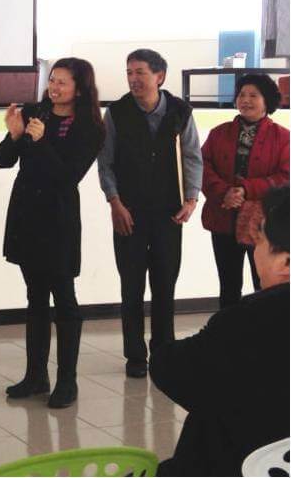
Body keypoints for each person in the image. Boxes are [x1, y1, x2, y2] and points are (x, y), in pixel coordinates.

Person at [152, 185, 290, 477]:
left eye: (259, 241)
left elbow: (168, 369)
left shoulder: (249, 321)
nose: (255, 250)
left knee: (214, 408)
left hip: (237, 465)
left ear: (286, 262)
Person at [0, 58, 105, 409]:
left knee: (65, 299)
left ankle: (67, 381)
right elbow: (2, 159)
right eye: (52, 80)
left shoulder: (90, 126)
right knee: (35, 297)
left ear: (80, 89)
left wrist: (40, 142)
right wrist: (15, 134)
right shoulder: (34, 112)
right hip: (27, 213)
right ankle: (35, 376)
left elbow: (67, 177)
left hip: (58, 218)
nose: (53, 87)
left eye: (62, 82)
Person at [97, 48, 203, 378]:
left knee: (165, 283)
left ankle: (163, 350)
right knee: (131, 285)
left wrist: (191, 199)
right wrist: (114, 202)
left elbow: (192, 156)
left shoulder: (180, 112)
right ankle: (135, 355)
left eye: (140, 72)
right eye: (129, 72)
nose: (133, 79)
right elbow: (105, 161)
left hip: (169, 212)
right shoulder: (117, 112)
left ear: (160, 76)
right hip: (128, 212)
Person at [200, 73, 289, 308]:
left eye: (253, 95)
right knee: (228, 284)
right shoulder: (219, 133)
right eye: (241, 95)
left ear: (267, 101)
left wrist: (246, 190)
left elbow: (286, 176)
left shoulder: (283, 137)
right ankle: (229, 330)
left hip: (263, 224)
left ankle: (265, 330)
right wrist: (225, 193)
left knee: (265, 285)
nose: (245, 100)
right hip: (223, 218)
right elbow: (202, 166)